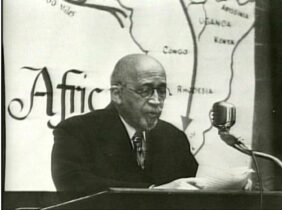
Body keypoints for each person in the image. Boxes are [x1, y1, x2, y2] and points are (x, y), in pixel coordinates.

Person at [51, 54, 199, 192]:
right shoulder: (77, 131)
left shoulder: (174, 137)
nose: (156, 100)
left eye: (161, 91)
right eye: (145, 90)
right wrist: (153, 192)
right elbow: (72, 185)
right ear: (117, 94)